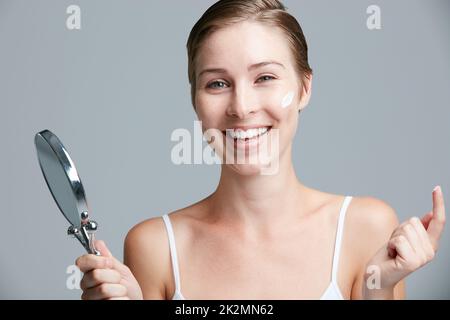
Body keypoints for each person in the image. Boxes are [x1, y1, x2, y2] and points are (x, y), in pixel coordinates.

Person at [75, 0, 446, 300]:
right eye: (217, 83)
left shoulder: (365, 227)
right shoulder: (155, 247)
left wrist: (375, 291)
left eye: (265, 78)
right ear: (195, 101)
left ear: (304, 88)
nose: (241, 106)